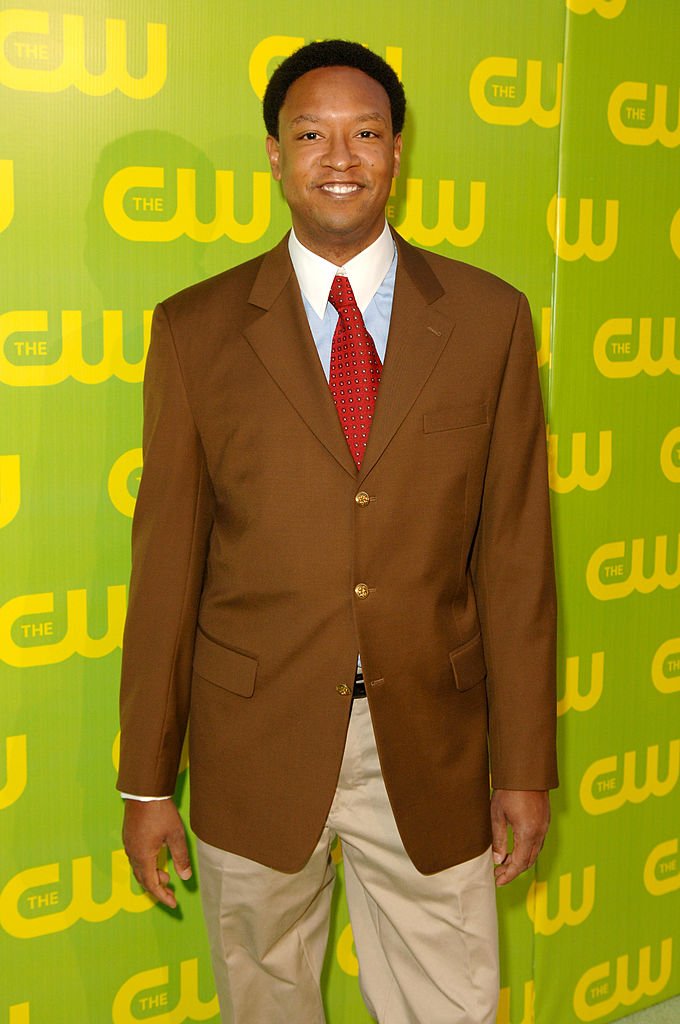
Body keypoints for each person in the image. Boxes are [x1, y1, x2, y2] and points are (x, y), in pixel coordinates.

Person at [118, 39, 557, 1024]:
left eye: (363, 132)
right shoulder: (194, 331)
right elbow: (166, 569)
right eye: (309, 134)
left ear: (398, 150)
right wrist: (146, 781)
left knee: (449, 1002)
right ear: (273, 155)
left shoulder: (488, 320)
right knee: (265, 998)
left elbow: (517, 556)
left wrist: (522, 766)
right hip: (252, 738)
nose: (338, 156)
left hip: (433, 739)